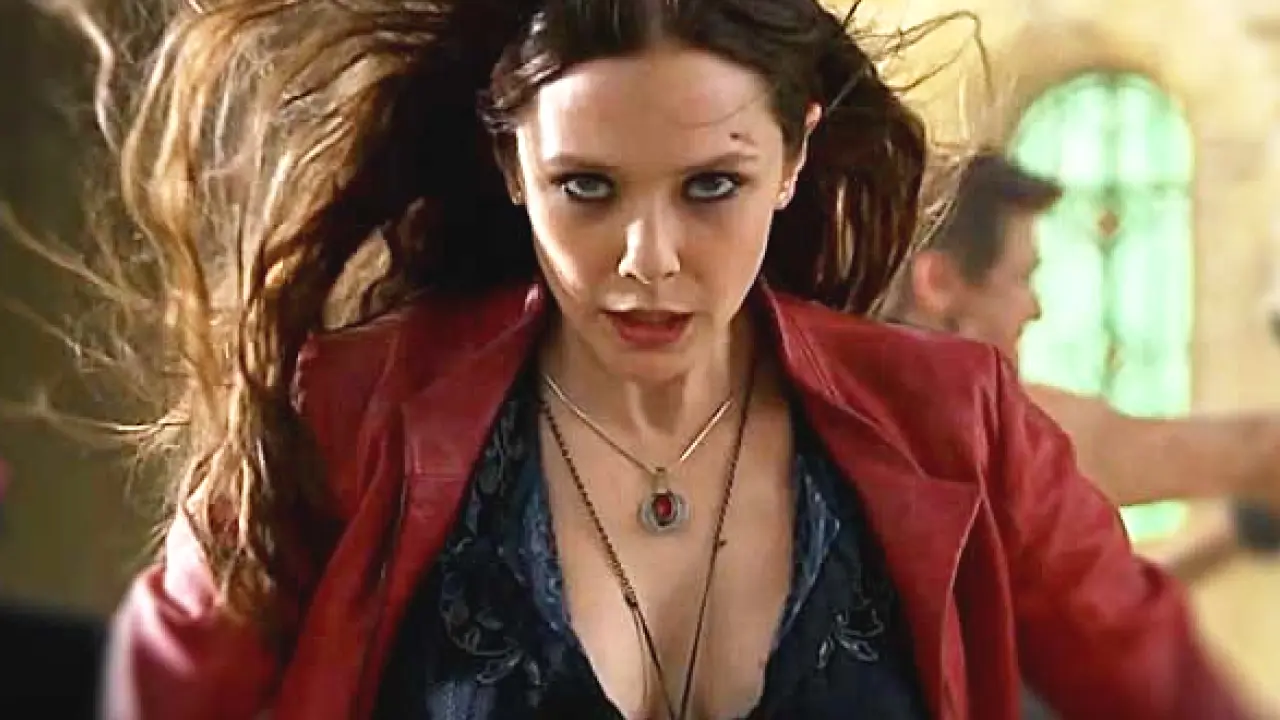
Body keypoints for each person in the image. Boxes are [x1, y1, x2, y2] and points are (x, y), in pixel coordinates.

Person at [79, 1, 1253, 719]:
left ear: (791, 160)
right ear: (511, 167)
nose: (648, 261)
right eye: (586, 187)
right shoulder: (346, 412)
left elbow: (1165, 695)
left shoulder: (955, 422)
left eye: (710, 187)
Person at [883, 151, 1280, 519]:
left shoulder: (867, 416)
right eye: (1022, 278)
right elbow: (1116, 450)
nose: (1035, 309)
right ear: (938, 282)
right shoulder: (982, 437)